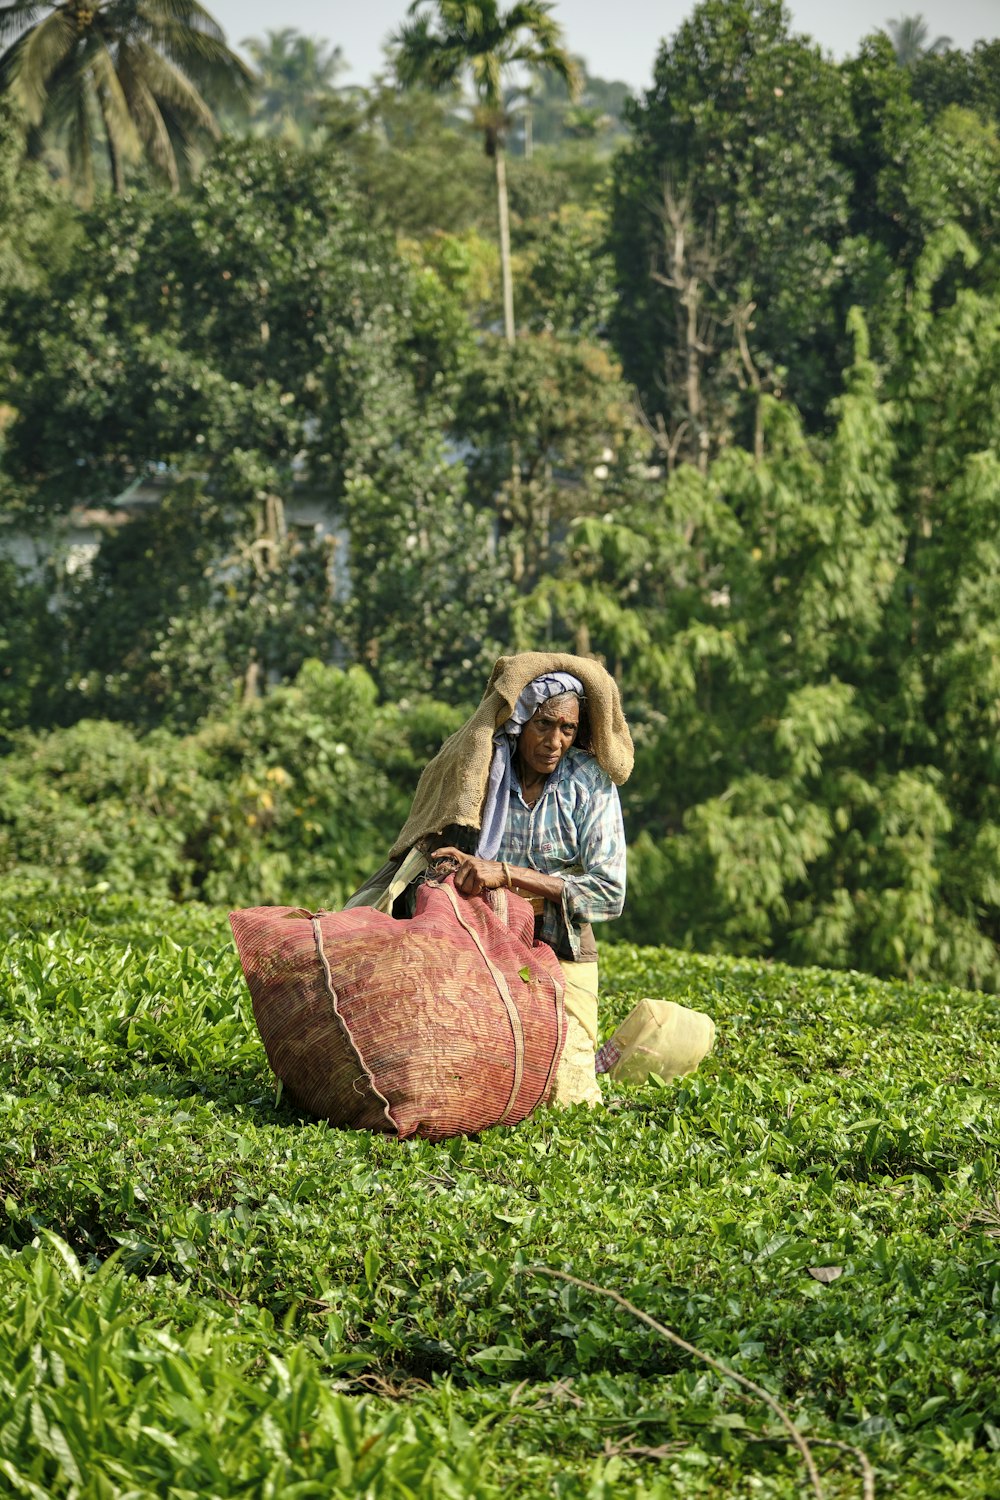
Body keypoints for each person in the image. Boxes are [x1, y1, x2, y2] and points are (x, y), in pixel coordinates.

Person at [348, 653, 634, 1107]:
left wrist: (505, 874)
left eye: (568, 729)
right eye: (544, 724)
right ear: (520, 721)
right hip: (484, 939)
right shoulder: (480, 769)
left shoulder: (589, 783)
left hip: (561, 942)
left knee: (567, 1096)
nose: (554, 741)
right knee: (453, 1066)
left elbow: (609, 894)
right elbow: (438, 841)